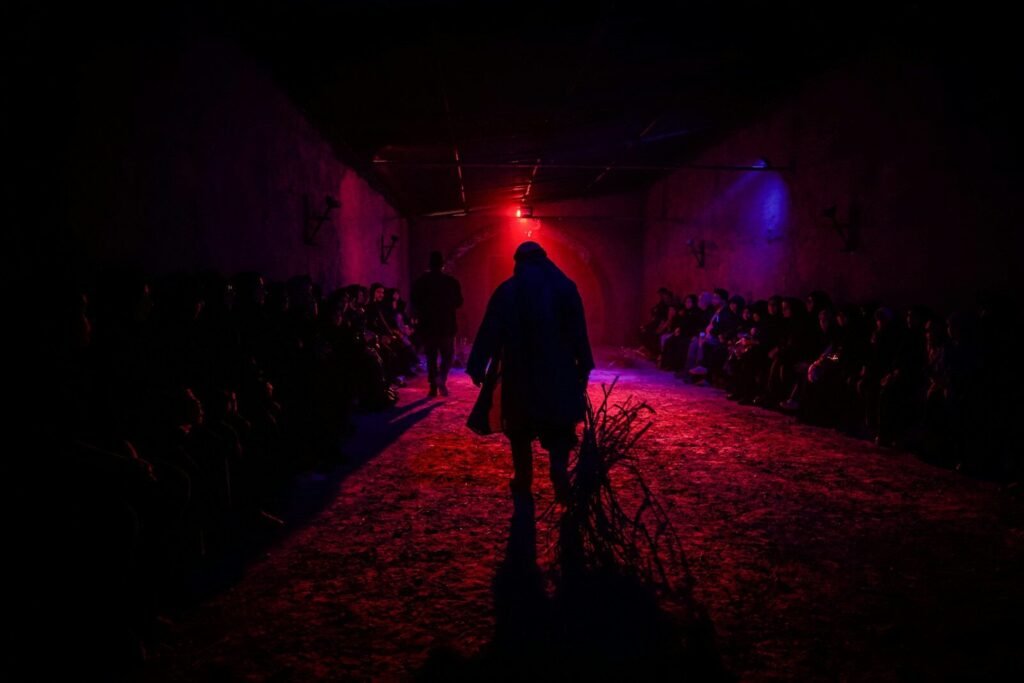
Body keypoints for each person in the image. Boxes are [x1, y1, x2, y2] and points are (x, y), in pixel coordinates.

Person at [467, 241, 594, 502]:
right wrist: (584, 365)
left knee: (519, 426)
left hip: (519, 370)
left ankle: (523, 477)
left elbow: (490, 329)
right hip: (558, 370)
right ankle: (558, 469)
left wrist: (478, 364)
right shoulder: (565, 288)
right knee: (559, 425)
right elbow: (578, 331)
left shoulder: (508, 290)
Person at [411, 251, 464, 397]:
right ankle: (441, 378)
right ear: (442, 264)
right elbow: (459, 302)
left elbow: (414, 300)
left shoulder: (421, 281)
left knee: (431, 357)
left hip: (428, 325)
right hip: (447, 325)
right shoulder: (451, 281)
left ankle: (433, 387)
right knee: (448, 356)